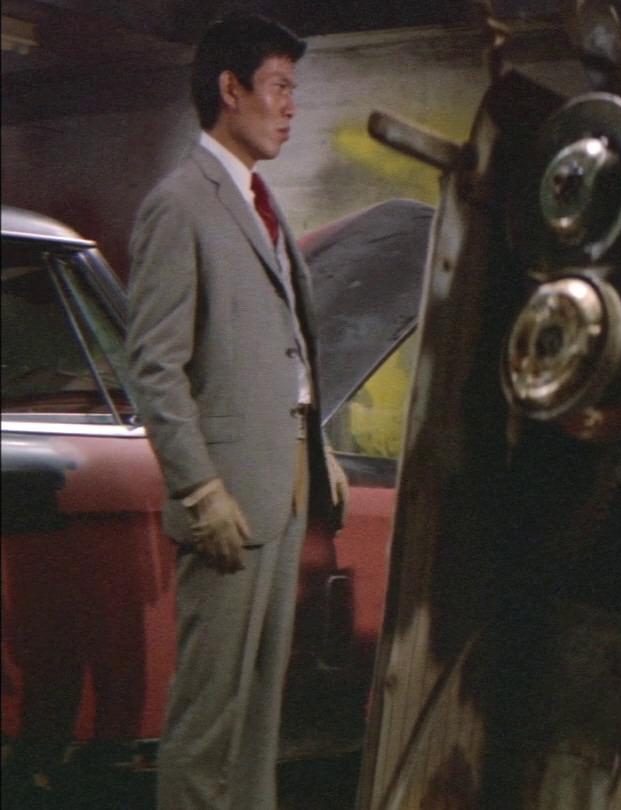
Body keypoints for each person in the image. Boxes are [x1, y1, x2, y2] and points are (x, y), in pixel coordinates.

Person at [123, 13, 345, 807]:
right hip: (228, 498)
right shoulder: (181, 203)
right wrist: (198, 488)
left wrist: (317, 447)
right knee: (209, 718)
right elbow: (153, 366)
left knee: (257, 718)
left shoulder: (259, 201)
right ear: (230, 89)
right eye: (278, 86)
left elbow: (282, 348)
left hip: (281, 486)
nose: (290, 106)